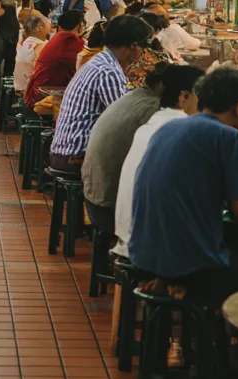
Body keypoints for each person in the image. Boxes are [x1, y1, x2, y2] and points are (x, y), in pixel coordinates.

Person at [127, 67, 238, 301]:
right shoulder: (230, 137)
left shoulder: (168, 128)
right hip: (191, 265)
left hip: (144, 257)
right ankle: (230, 335)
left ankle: (204, 330)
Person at [114, 65, 205, 254]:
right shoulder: (181, 129)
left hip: (127, 237)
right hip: (150, 247)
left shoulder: (153, 123)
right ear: (184, 97)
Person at [81, 62, 177, 236]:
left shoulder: (133, 97)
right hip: (110, 210)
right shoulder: (153, 110)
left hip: (93, 200)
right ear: (163, 86)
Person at [48, 15, 150, 170]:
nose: (144, 52)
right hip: (74, 157)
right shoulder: (107, 71)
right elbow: (125, 120)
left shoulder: (103, 61)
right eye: (144, 46)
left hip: (66, 152)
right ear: (133, 46)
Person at [24, 9, 86, 106]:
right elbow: (85, 61)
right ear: (80, 26)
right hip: (41, 94)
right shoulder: (70, 40)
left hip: (38, 89)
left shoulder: (60, 37)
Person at [13, 11, 50, 94]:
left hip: (19, 87)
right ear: (39, 28)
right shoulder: (41, 46)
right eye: (47, 23)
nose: (50, 24)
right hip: (31, 91)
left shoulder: (24, 43)